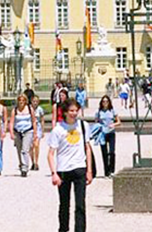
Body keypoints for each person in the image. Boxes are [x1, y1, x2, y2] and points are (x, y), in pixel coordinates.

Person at [47, 98, 93, 232]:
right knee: (64, 204)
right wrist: (54, 173)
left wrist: (89, 170)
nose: (74, 113)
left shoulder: (83, 126)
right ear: (65, 112)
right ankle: (63, 229)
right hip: (63, 170)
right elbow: (50, 154)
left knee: (80, 205)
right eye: (71, 111)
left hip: (79, 168)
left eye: (76, 110)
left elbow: (87, 148)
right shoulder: (58, 129)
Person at [9, 94, 38, 177]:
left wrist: (35, 133)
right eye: (19, 100)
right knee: (19, 150)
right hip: (17, 131)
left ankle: (25, 167)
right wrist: (11, 132)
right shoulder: (15, 110)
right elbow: (11, 122)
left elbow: (33, 121)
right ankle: (21, 165)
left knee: (25, 150)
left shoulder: (29, 109)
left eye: (23, 100)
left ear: (25, 101)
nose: (21, 102)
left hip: (28, 131)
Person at [95, 95, 121, 177]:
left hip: (111, 133)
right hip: (103, 134)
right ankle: (106, 172)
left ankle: (112, 170)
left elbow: (119, 122)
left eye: (106, 101)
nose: (105, 103)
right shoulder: (99, 112)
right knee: (104, 153)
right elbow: (96, 123)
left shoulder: (112, 111)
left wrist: (113, 124)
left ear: (109, 102)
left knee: (112, 152)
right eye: (103, 101)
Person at [30, 95, 45, 171]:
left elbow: (42, 120)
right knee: (31, 147)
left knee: (36, 145)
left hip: (38, 128)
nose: (35, 103)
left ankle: (36, 162)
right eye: (34, 101)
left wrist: (42, 131)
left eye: (36, 101)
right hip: (30, 128)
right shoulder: (29, 109)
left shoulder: (40, 109)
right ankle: (32, 162)